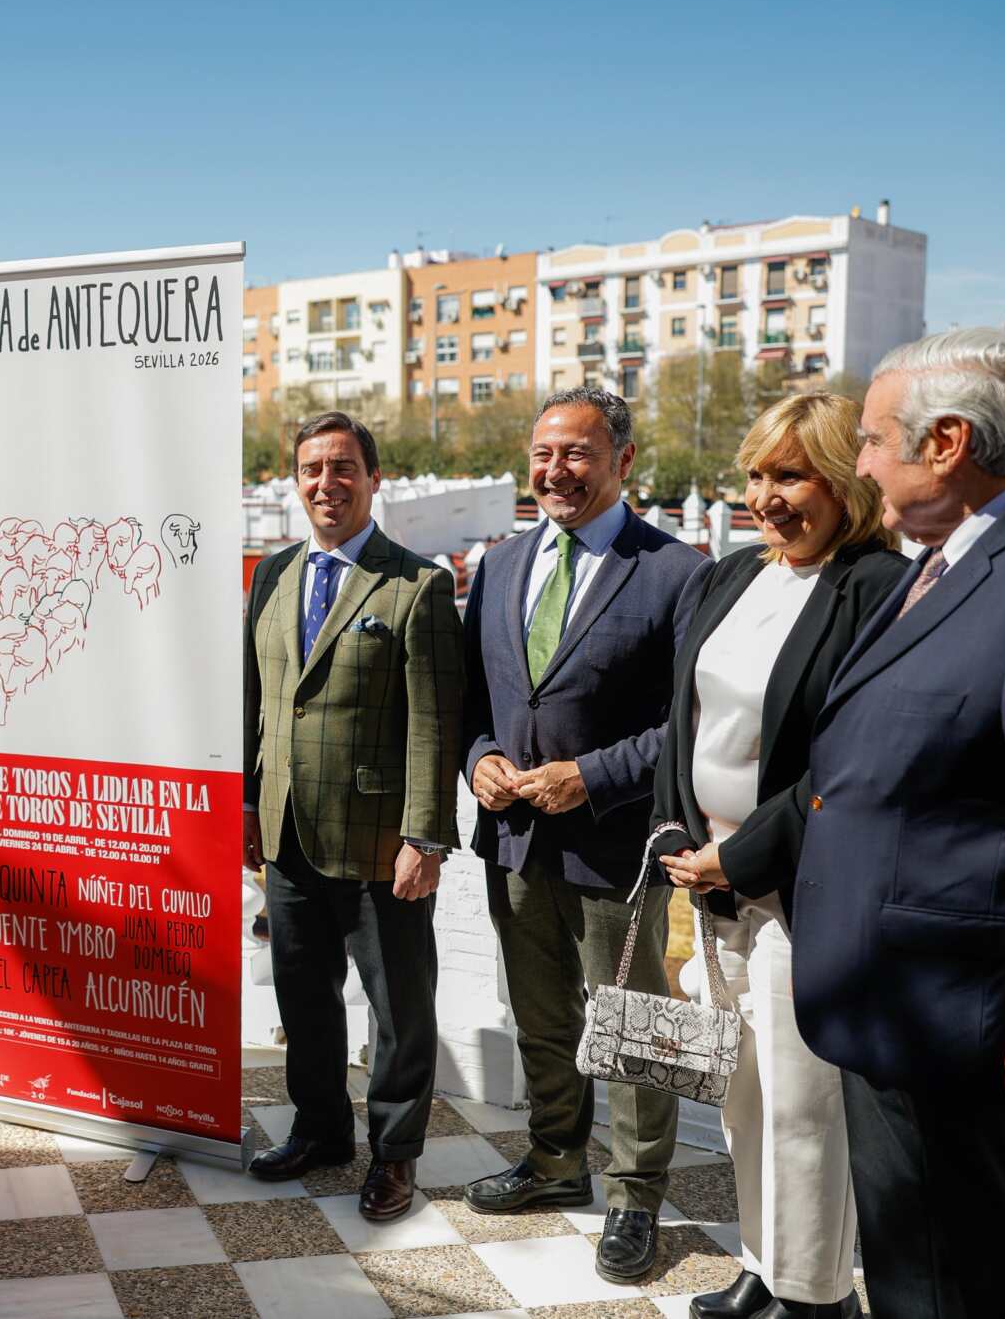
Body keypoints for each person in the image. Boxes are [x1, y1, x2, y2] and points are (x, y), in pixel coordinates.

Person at [698, 329, 1005, 1316]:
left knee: (963, 1279)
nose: (862, 465)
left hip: (964, 1024)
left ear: (945, 441)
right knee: (913, 1272)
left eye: (872, 440)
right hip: (895, 1004)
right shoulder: (943, 562)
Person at [648, 395, 905, 1319]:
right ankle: (763, 1266)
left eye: (791, 475)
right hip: (710, 885)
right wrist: (678, 835)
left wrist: (743, 854)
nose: (768, 496)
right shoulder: (729, 577)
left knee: (805, 1110)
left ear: (843, 483)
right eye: (757, 475)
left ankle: (815, 1294)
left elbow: (851, 758)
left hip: (802, 891)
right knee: (744, 1099)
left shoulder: (877, 586)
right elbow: (686, 722)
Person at [459, 387, 707, 1283]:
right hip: (514, 842)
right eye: (542, 454)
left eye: (576, 453)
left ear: (624, 461)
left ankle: (636, 1197)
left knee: (635, 1028)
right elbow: (475, 702)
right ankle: (555, 1161)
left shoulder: (678, 572)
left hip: (616, 849)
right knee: (542, 1015)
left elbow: (690, 722)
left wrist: (589, 776)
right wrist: (480, 756)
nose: (555, 471)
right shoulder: (497, 565)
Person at [239, 410, 464, 1220]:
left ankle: (395, 1156)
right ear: (294, 482)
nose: (326, 484)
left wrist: (425, 837)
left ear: (374, 479)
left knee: (399, 1007)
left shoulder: (418, 584)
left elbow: (436, 723)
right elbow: (257, 699)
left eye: (343, 469)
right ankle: (321, 1129)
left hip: (380, 841)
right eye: (311, 470)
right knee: (303, 992)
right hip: (288, 825)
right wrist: (246, 803)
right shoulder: (272, 574)